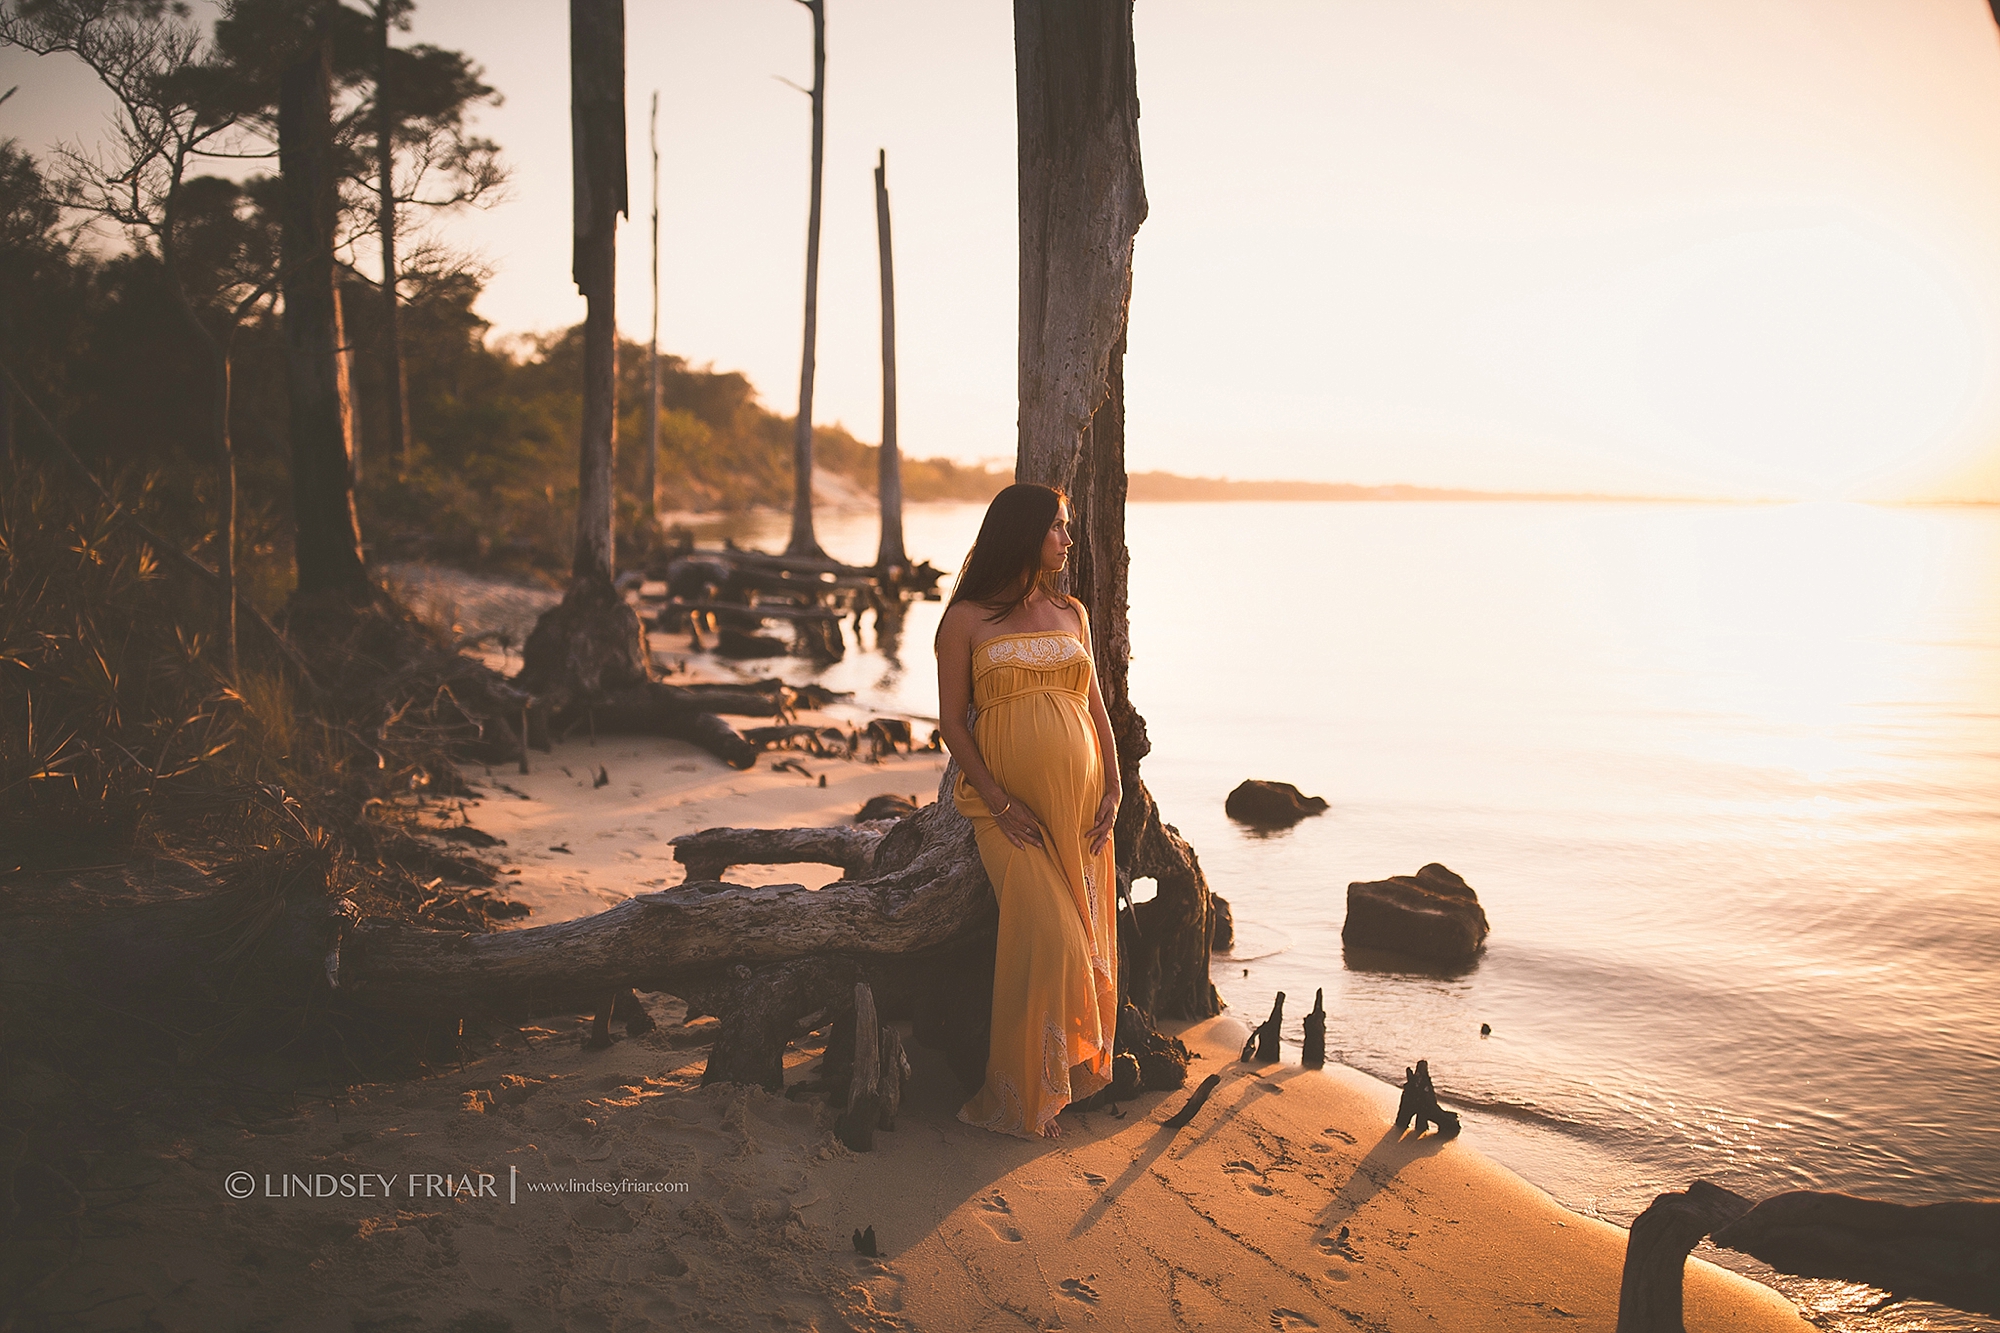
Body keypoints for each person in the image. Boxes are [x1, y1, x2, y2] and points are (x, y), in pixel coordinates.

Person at [934, 483, 1121, 1139]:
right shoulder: (966, 620)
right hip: (1006, 811)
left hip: (1083, 808)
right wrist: (998, 798)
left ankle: (1057, 1084)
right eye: (1059, 528)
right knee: (1050, 933)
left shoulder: (1071, 611)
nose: (1069, 540)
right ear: (1024, 533)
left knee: (1079, 934)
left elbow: (1096, 709)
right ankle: (1017, 1091)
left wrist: (1116, 786)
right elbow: (953, 723)